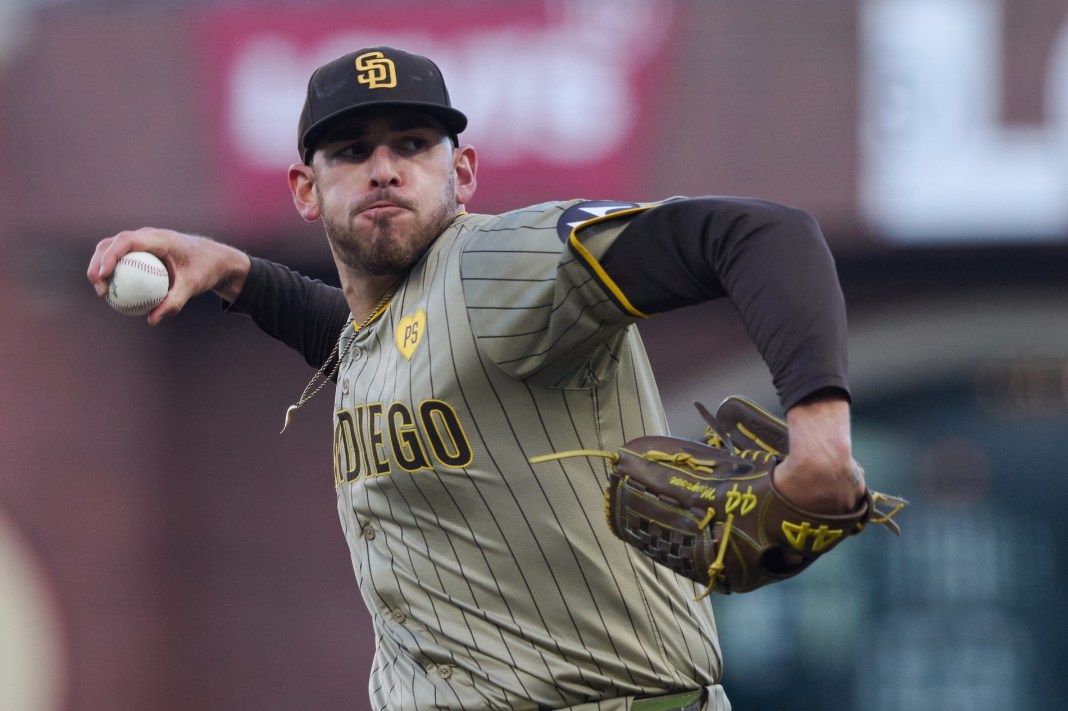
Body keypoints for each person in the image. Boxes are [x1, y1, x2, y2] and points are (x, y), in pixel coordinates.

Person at [88, 46, 864, 711]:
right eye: (352, 151)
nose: (383, 168)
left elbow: (763, 234)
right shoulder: (380, 330)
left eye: (412, 143)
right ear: (305, 188)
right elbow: (366, 339)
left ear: (460, 169)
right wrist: (234, 272)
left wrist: (821, 435)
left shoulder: (504, 263)